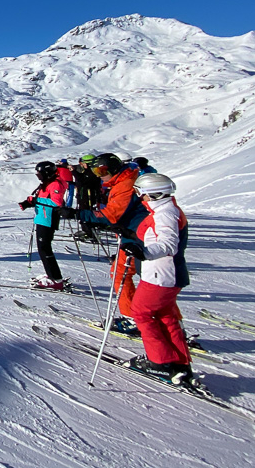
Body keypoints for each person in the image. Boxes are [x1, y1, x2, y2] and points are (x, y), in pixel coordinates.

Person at [122, 174, 192, 384]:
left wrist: (143, 253)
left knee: (141, 312)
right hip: (164, 274)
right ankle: (179, 364)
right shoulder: (163, 210)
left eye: (140, 193)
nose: (139, 197)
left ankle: (159, 362)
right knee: (165, 316)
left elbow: (169, 244)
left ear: (153, 194)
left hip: (161, 275)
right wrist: (131, 237)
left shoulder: (166, 214)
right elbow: (155, 237)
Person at [81, 153, 142, 332]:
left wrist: (81, 215)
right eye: (96, 171)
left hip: (136, 238)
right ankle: (143, 317)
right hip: (132, 235)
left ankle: (134, 318)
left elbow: (112, 215)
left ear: (114, 168)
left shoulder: (125, 184)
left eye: (102, 170)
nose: (99, 175)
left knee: (123, 275)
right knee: (124, 274)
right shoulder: (123, 181)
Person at [19, 161, 68, 289]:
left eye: (39, 173)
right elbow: (45, 199)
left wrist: (36, 200)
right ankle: (52, 276)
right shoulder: (48, 182)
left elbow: (56, 202)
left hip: (48, 219)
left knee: (44, 249)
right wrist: (30, 203)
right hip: (43, 218)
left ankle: (55, 279)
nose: (37, 175)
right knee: (43, 249)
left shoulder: (55, 183)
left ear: (46, 173)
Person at [73, 154, 103, 240]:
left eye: (83, 163)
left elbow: (82, 181)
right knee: (83, 213)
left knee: (87, 214)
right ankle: (86, 230)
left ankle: (89, 233)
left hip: (89, 198)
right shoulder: (87, 172)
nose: (82, 165)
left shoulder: (92, 173)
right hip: (84, 196)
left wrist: (74, 172)